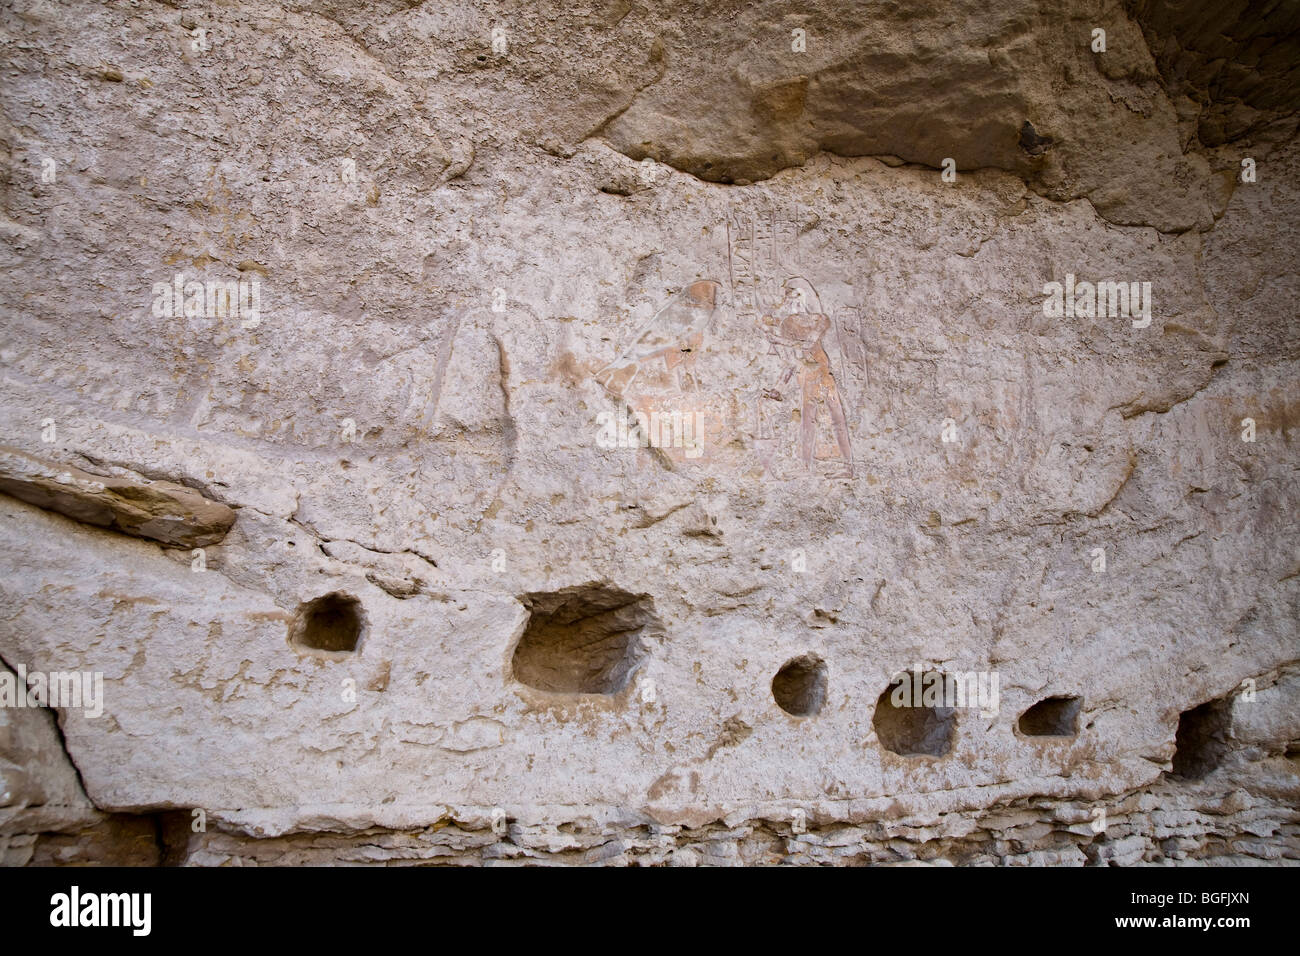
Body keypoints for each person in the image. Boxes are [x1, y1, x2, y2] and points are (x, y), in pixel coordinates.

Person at [759, 283, 854, 476]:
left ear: (807, 296)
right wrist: (779, 388)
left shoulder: (820, 319)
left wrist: (778, 340)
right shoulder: (789, 325)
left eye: (797, 295)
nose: (793, 301)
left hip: (822, 373)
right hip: (806, 377)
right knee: (807, 421)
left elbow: (809, 342)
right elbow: (792, 360)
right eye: (789, 297)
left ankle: (848, 466)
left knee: (837, 418)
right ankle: (805, 465)